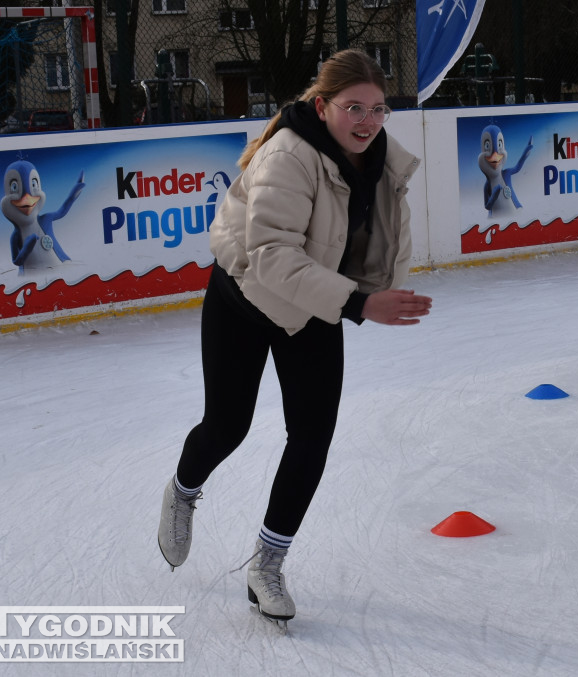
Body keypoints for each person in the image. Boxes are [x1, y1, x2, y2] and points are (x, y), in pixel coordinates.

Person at [157, 49, 431, 626]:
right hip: (245, 297)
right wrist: (359, 303)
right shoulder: (289, 154)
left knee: (312, 436)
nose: (367, 121)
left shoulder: (379, 159)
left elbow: (372, 243)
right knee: (227, 426)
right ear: (322, 104)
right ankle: (183, 490)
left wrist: (373, 289)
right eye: (353, 107)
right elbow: (273, 257)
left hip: (311, 307)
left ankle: (267, 567)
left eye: (378, 109)